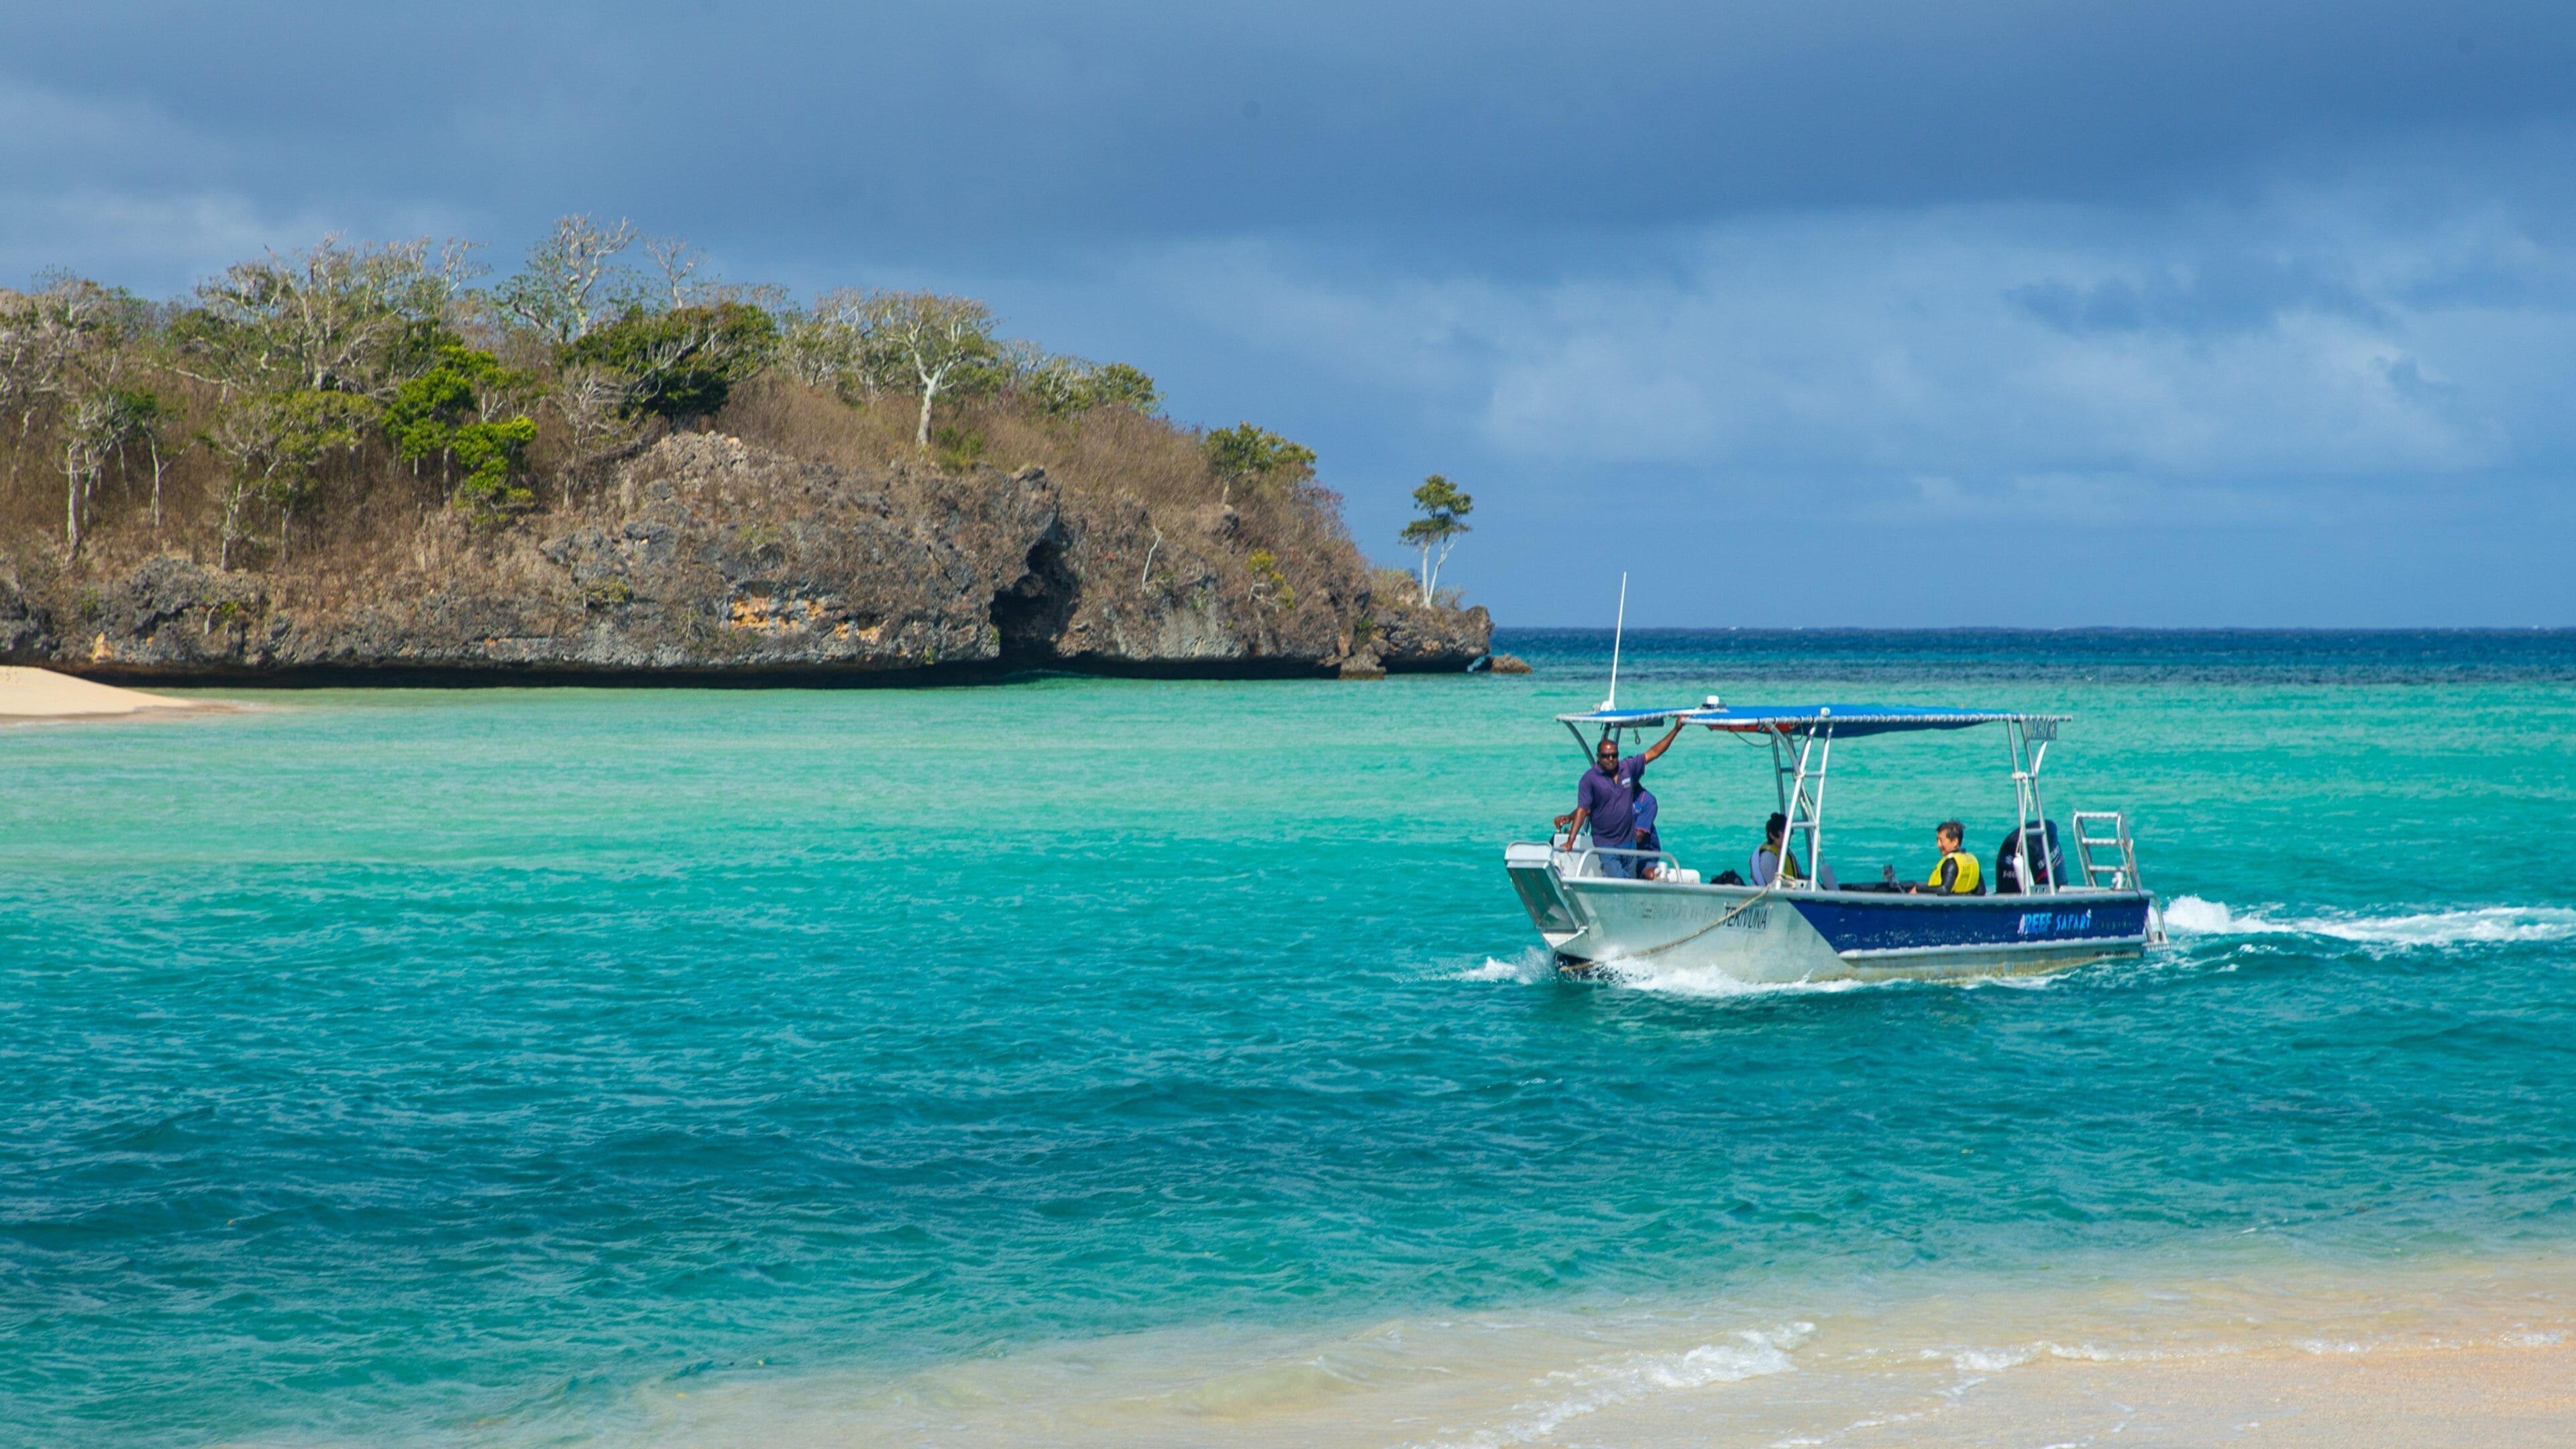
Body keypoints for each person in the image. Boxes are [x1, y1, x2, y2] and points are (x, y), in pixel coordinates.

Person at [1554, 720, 1683, 879]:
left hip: (1629, 844)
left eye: (1614, 755)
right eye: (1606, 756)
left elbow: (1654, 753)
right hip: (1606, 845)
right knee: (1620, 881)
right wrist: (1571, 840)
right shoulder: (1589, 779)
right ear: (1598, 757)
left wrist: (1676, 729)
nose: (1611, 759)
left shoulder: (1627, 769)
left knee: (1630, 884)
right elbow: (1584, 808)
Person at [1904, 820, 1983, 894]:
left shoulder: (1951, 862)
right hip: (1961, 904)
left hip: (1944, 906)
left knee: (1915, 886)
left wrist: (1918, 889)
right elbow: (1981, 891)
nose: (1938, 845)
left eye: (1941, 841)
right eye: (1937, 840)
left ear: (1955, 842)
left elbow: (1944, 890)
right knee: (1910, 884)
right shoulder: (1972, 860)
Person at [1749, 812, 1805, 887]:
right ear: (1772, 835)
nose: (1790, 834)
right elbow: (1773, 886)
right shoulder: (1768, 857)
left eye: (1790, 831)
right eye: (1785, 831)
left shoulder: (1786, 852)